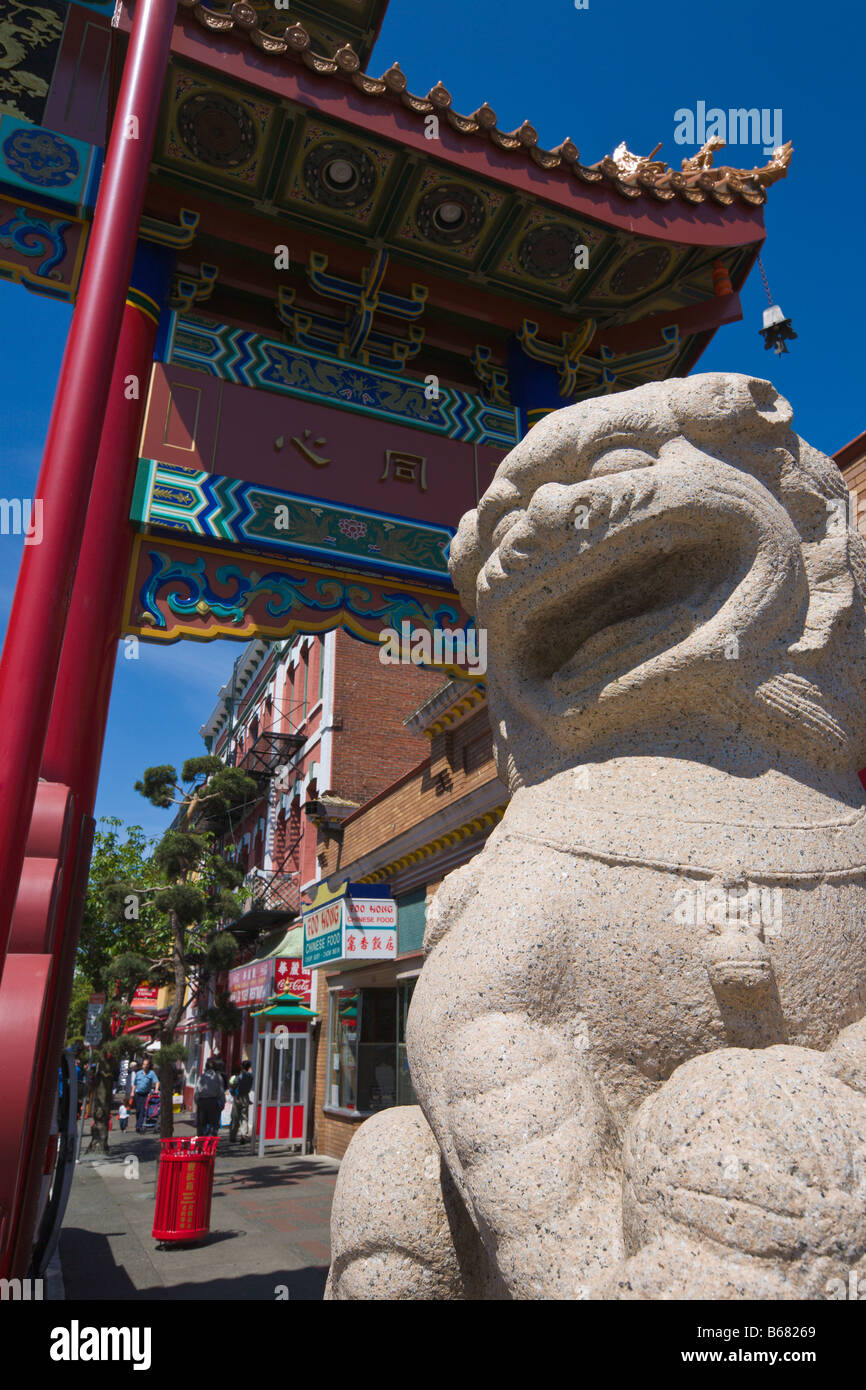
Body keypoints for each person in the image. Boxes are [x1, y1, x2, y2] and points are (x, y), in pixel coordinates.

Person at [194, 1057, 225, 1137]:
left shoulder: (201, 1077)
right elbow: (221, 1092)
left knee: (201, 1125)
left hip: (202, 1102)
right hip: (213, 1102)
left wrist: (197, 1102)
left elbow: (196, 1092)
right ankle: (211, 1144)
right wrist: (222, 1104)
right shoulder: (218, 1077)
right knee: (213, 1124)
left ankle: (201, 1143)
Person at [229, 1060, 253, 1143]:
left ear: (242, 1067)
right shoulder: (250, 1076)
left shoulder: (240, 1076)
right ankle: (243, 1135)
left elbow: (234, 1085)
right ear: (249, 1067)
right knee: (244, 1117)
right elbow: (249, 1087)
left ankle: (233, 1135)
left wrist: (232, 1093)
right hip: (246, 1097)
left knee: (235, 1117)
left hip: (238, 1097)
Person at [129, 1058, 156, 1133]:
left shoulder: (151, 1073)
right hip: (137, 1094)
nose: (145, 1066)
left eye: (147, 1064)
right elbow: (135, 1084)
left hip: (145, 1094)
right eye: (144, 1064)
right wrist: (132, 1092)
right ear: (142, 1065)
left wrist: (156, 1090)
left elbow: (157, 1082)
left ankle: (139, 1126)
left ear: (149, 1065)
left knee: (142, 1110)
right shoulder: (138, 1073)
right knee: (137, 1110)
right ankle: (138, 1124)